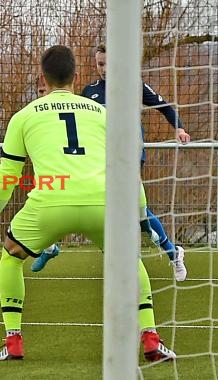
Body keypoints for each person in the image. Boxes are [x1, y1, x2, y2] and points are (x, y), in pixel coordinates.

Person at [0, 45, 176, 362]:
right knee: (130, 260)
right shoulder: (105, 114)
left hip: (50, 205)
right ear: (76, 77)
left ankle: (14, 341)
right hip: (104, 205)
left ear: (42, 79)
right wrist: (142, 220)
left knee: (11, 255)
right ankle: (151, 340)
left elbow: (6, 178)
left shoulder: (24, 117)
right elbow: (128, 171)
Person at [80, 43, 188, 282]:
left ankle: (167, 254)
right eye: (100, 64)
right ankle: (171, 251)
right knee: (117, 210)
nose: (105, 68)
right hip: (98, 158)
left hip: (130, 155)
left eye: (109, 63)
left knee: (131, 209)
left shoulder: (133, 85)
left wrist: (179, 129)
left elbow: (166, 107)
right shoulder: (89, 92)